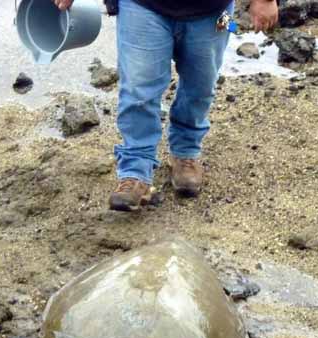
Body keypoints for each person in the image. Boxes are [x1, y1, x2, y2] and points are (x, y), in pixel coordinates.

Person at [53, 0, 279, 211]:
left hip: (212, 11)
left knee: (201, 87)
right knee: (138, 90)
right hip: (142, 6)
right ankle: (135, 171)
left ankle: (185, 153)